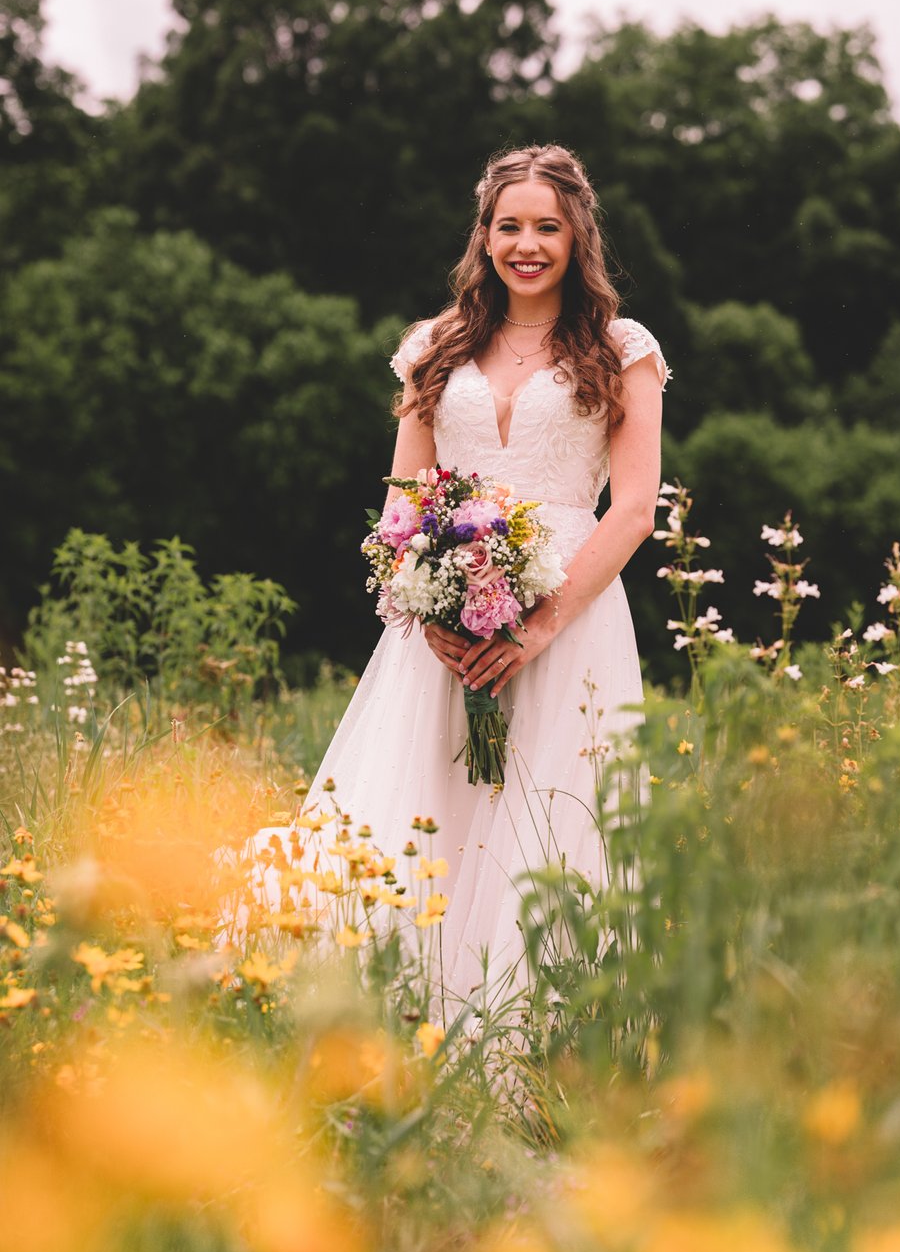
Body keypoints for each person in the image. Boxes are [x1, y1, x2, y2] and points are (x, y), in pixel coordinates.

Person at [252, 145, 668, 1008]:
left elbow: (632, 507)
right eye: (508, 225)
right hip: (441, 624)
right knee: (432, 801)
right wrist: (425, 604)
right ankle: (394, 1011)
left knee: (545, 815)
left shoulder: (621, 347)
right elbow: (404, 500)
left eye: (547, 227)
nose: (527, 243)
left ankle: (539, 1024)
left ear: (576, 235)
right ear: (483, 235)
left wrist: (540, 622)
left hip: (571, 616)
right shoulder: (435, 346)